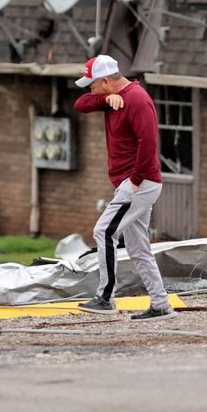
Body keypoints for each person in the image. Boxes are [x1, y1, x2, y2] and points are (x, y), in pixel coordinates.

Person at [72, 55, 176, 321]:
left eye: (92, 85)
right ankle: (160, 304)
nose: (89, 89)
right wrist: (105, 99)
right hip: (133, 184)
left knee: (103, 231)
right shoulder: (113, 99)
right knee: (138, 248)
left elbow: (149, 143)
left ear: (105, 80)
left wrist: (135, 181)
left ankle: (105, 297)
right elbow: (80, 104)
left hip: (138, 183)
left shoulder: (137, 100)